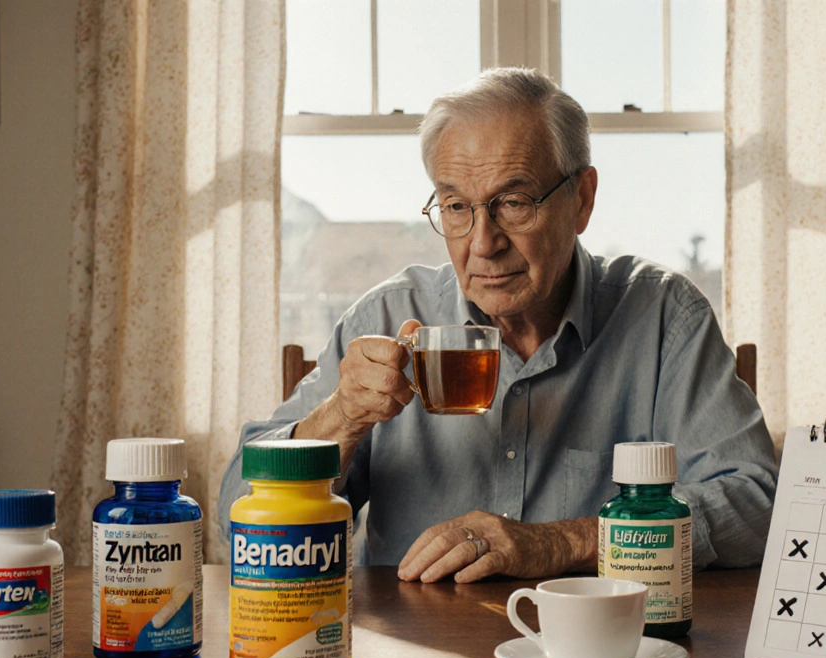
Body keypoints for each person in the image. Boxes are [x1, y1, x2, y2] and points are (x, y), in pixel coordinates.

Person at [218, 67, 777, 583]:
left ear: (581, 200)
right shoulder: (386, 317)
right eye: (456, 207)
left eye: (513, 202)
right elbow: (234, 510)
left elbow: (756, 505)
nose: (483, 244)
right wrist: (340, 418)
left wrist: (561, 544)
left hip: (601, 656)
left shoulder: (663, 318)